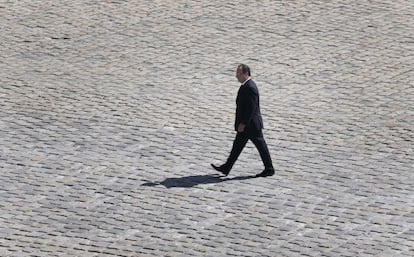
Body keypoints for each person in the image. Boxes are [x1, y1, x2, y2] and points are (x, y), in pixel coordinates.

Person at [211, 64, 275, 177]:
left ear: (246, 74)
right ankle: (226, 167)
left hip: (251, 125)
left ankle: (269, 169)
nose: (236, 76)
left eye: (238, 74)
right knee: (237, 146)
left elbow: (251, 108)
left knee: (261, 146)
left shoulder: (250, 87)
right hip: (247, 125)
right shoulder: (245, 86)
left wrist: (243, 123)